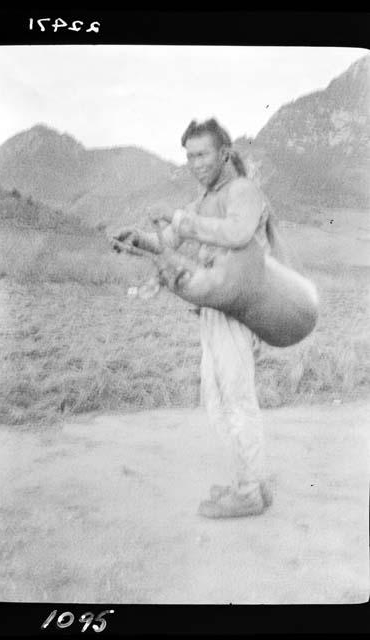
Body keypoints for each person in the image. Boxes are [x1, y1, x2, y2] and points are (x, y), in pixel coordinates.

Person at [112, 118, 273, 518]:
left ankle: (250, 490)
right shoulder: (205, 200)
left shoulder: (243, 191)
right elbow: (168, 239)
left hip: (238, 308)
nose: (195, 163)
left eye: (202, 154)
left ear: (224, 154)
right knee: (218, 399)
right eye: (189, 156)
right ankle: (249, 479)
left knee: (236, 398)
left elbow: (236, 234)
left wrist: (180, 220)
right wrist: (137, 242)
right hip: (214, 309)